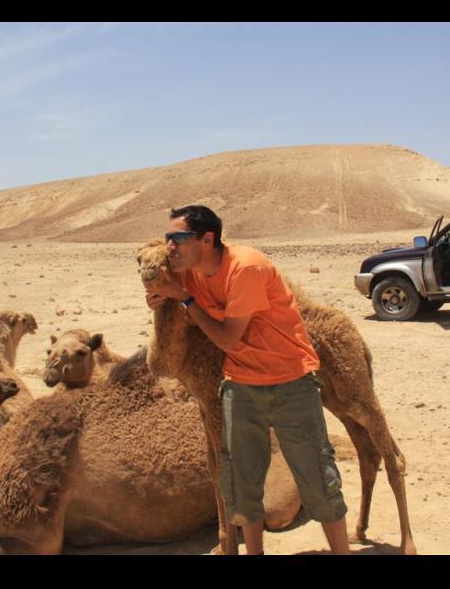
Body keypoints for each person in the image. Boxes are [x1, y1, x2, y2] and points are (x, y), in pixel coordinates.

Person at [144, 205, 350, 555]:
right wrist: (158, 299)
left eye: (178, 238)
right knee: (242, 482)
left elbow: (227, 340)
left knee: (318, 478)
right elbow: (175, 311)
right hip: (240, 385)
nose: (170, 247)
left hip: (290, 382)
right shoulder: (189, 274)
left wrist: (183, 299)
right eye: (167, 239)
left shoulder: (245, 267)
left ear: (207, 240)